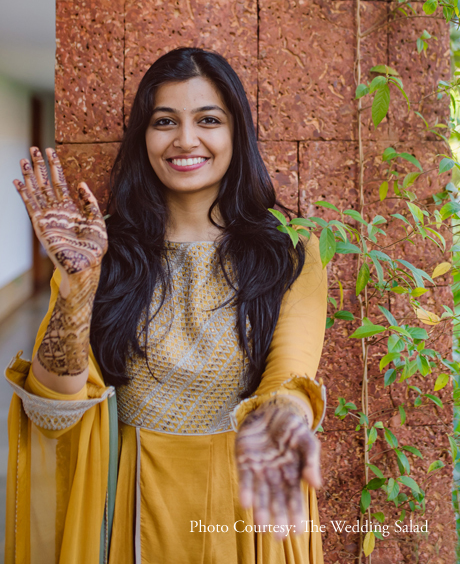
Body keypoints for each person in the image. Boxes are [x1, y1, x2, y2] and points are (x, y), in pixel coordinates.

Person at [6, 48, 327, 564]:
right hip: (131, 506)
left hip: (243, 509)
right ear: (144, 138)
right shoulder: (101, 250)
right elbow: (54, 406)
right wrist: (77, 286)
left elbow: (291, 372)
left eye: (208, 120)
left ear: (236, 133)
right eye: (164, 121)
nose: (185, 139)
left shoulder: (291, 251)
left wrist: (284, 422)